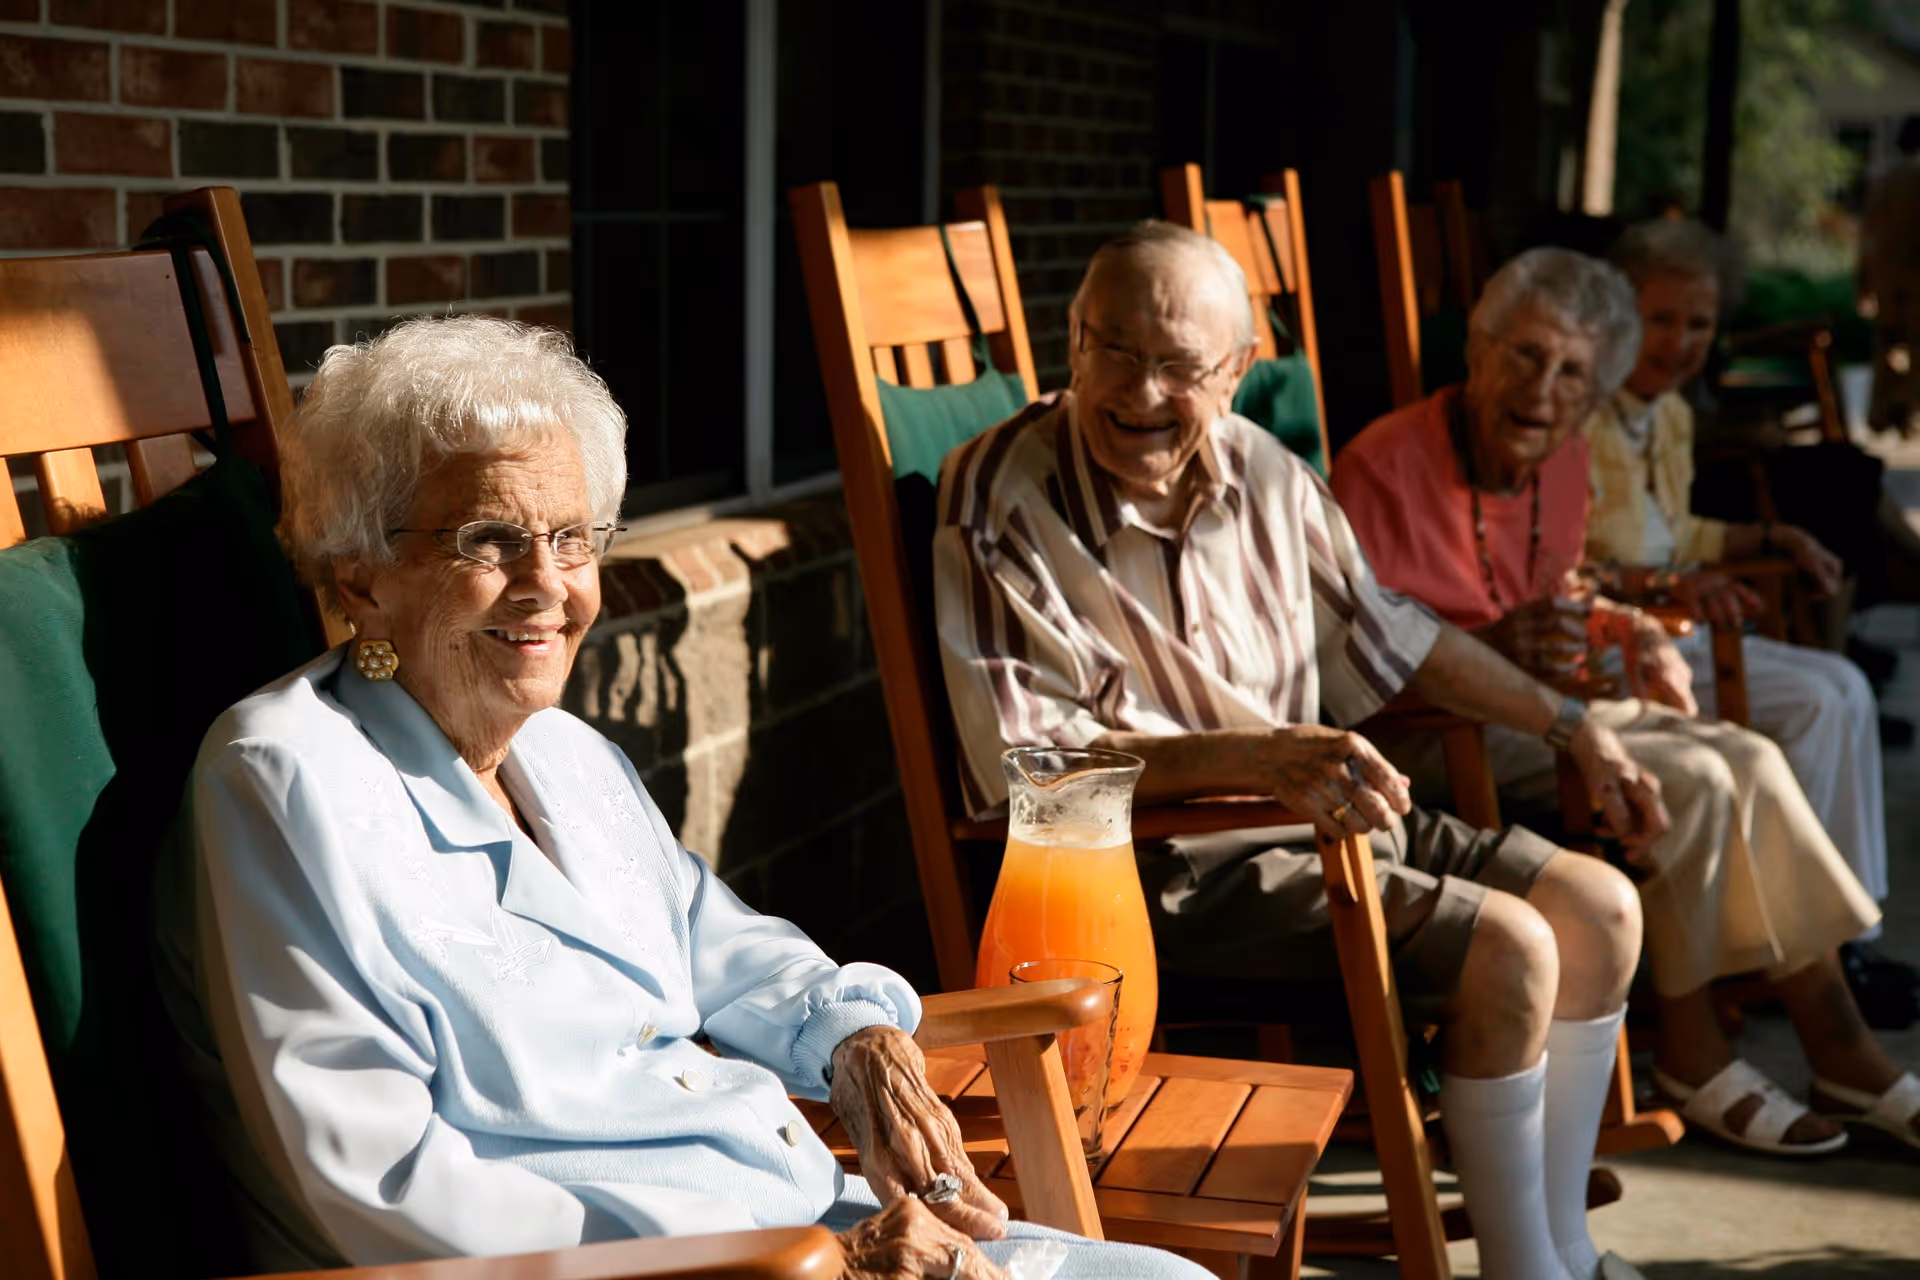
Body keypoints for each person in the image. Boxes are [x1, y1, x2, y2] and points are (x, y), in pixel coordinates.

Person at [152, 316, 1205, 1280]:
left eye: (573, 537)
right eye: (489, 539)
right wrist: (802, 1261)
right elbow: (380, 1185)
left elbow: (717, 938)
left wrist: (852, 1039)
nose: (547, 584)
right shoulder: (285, 779)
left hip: (794, 1217)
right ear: (359, 572)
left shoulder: (561, 754)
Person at [937, 221, 1658, 1280]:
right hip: (1157, 867)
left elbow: (1396, 637)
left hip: (1312, 808)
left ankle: (1559, 1243)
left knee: (1602, 910)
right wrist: (1252, 759)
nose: (1140, 391)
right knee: (1512, 949)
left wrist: (1569, 722)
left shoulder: (1266, 473)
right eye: (1114, 349)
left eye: (1180, 364)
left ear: (1234, 371)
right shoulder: (1002, 496)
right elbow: (1025, 771)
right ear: (1073, 341)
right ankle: (1523, 1268)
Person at [1332, 248, 1920, 1164]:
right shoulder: (1383, 466)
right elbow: (1349, 669)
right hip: (1431, 734)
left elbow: (1557, 584)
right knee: (1685, 776)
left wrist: (1625, 625)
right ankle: (1694, 1048)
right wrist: (1494, 652)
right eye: (1525, 356)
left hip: (1541, 711)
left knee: (1747, 756)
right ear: (1479, 351)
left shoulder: (1561, 461)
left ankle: (1838, 1043)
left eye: (1573, 372)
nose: (1543, 388)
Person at [1593, 218, 1915, 1028]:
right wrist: (1674, 580)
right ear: (1617, 314)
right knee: (1820, 696)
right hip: (1626, 635)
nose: (1681, 341)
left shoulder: (1662, 412)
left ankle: (1848, 935)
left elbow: (1683, 529)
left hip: (1679, 617)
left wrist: (1772, 537)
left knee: (1843, 688)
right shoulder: (1582, 411)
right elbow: (1588, 558)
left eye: (1698, 323)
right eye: (1661, 319)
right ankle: (1805, 942)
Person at [1861, 114, 1920, 437]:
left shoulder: (1880, 179)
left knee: (1885, 346)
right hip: (1914, 280)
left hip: (1884, 278)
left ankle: (1881, 412)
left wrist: (1864, 281)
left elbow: (1867, 237)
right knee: (1915, 349)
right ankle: (1907, 412)